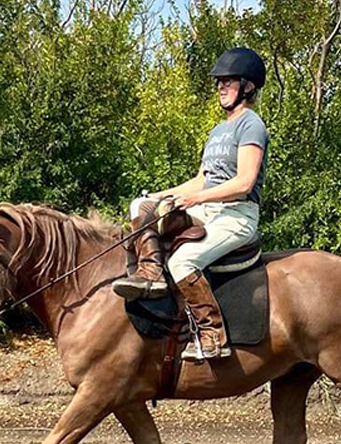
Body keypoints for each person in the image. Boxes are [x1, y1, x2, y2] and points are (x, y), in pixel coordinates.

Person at [112, 47, 269, 362]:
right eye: (219, 82)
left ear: (247, 86)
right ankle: (151, 276)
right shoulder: (218, 131)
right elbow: (201, 181)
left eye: (228, 81)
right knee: (140, 207)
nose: (221, 86)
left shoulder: (251, 125)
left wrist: (196, 199)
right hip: (207, 210)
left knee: (183, 262)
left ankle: (212, 334)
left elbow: (244, 182)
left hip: (236, 215)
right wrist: (160, 195)